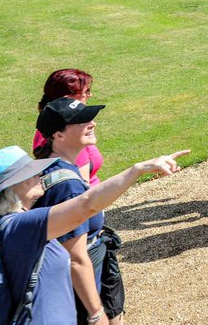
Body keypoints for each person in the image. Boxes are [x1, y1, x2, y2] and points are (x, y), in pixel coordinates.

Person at [0, 145, 184, 325]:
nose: (40, 174)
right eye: (31, 172)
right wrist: (138, 170)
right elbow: (86, 205)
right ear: (14, 186)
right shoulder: (19, 227)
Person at [32, 99, 126, 325]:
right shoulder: (67, 186)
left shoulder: (54, 166)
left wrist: (138, 170)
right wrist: (95, 313)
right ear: (58, 135)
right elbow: (75, 259)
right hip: (77, 288)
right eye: (81, 121)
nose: (92, 123)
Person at [33, 69, 101, 184]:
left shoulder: (47, 126)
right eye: (86, 91)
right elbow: (84, 190)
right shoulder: (72, 137)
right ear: (68, 98)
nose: (89, 95)